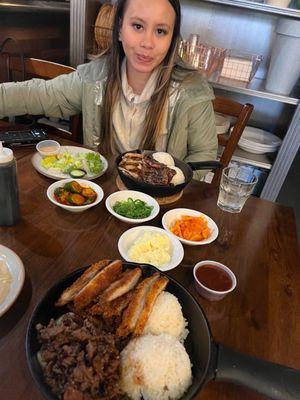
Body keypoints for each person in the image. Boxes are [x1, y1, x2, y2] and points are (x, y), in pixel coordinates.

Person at [0, 0, 217, 180]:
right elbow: (36, 94)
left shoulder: (192, 91)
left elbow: (203, 154)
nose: (147, 43)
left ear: (172, 40)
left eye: (161, 31)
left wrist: (174, 185)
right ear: (120, 29)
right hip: (104, 195)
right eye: (138, 26)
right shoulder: (95, 78)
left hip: (161, 207)